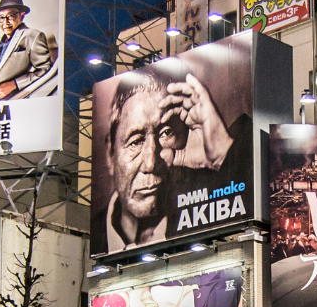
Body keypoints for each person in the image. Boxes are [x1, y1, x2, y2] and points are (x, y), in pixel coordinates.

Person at [99, 70, 253, 255]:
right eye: (136, 141)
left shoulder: (208, 210)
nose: (150, 164)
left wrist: (221, 153)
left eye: (166, 133)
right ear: (110, 153)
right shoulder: (91, 240)